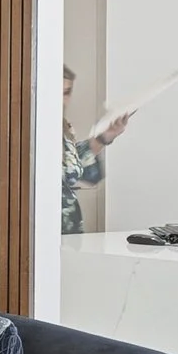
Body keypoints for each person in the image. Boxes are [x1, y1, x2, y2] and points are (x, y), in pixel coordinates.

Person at [62, 65, 131, 234]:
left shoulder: (64, 127)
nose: (62, 100)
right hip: (38, 234)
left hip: (69, 233)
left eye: (67, 92)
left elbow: (75, 165)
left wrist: (105, 137)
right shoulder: (28, 128)